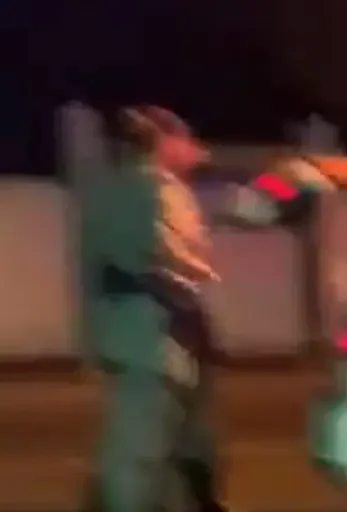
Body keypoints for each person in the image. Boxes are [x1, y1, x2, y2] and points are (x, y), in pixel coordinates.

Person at [80, 105, 225, 512]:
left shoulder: (164, 188)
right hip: (147, 336)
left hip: (168, 335)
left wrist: (287, 183)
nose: (194, 144)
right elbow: (141, 262)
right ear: (162, 141)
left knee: (183, 443)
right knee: (139, 450)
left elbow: (246, 207)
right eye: (184, 136)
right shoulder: (135, 190)